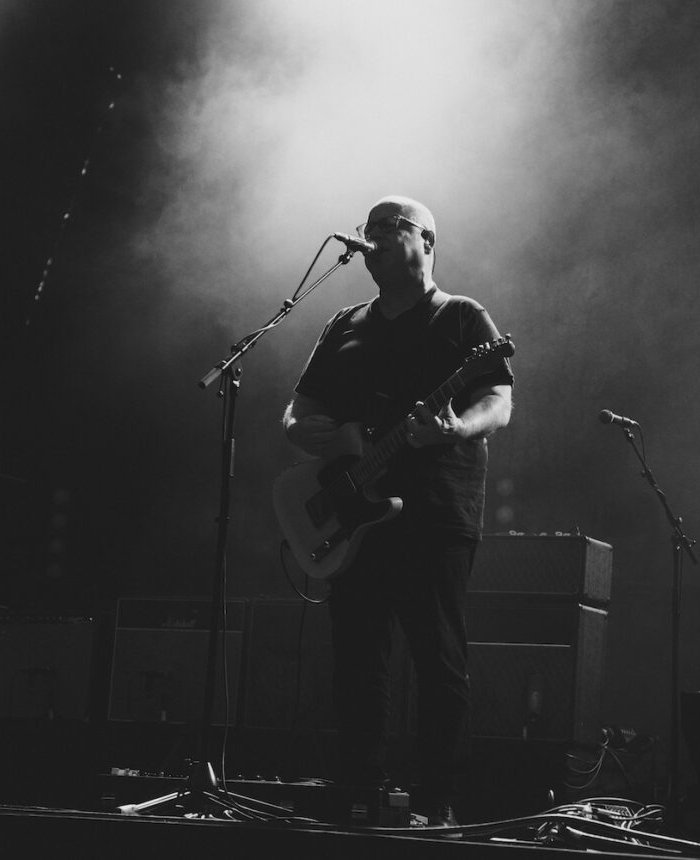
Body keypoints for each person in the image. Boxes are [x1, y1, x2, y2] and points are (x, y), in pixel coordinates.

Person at [281, 195, 513, 826]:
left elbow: (498, 398)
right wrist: (330, 440)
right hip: (356, 513)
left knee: (438, 661)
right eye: (369, 229)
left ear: (427, 242)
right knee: (357, 663)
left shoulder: (463, 317)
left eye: (390, 227)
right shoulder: (345, 323)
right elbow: (296, 415)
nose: (373, 237)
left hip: (436, 511)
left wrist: (455, 429)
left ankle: (437, 804)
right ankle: (360, 795)